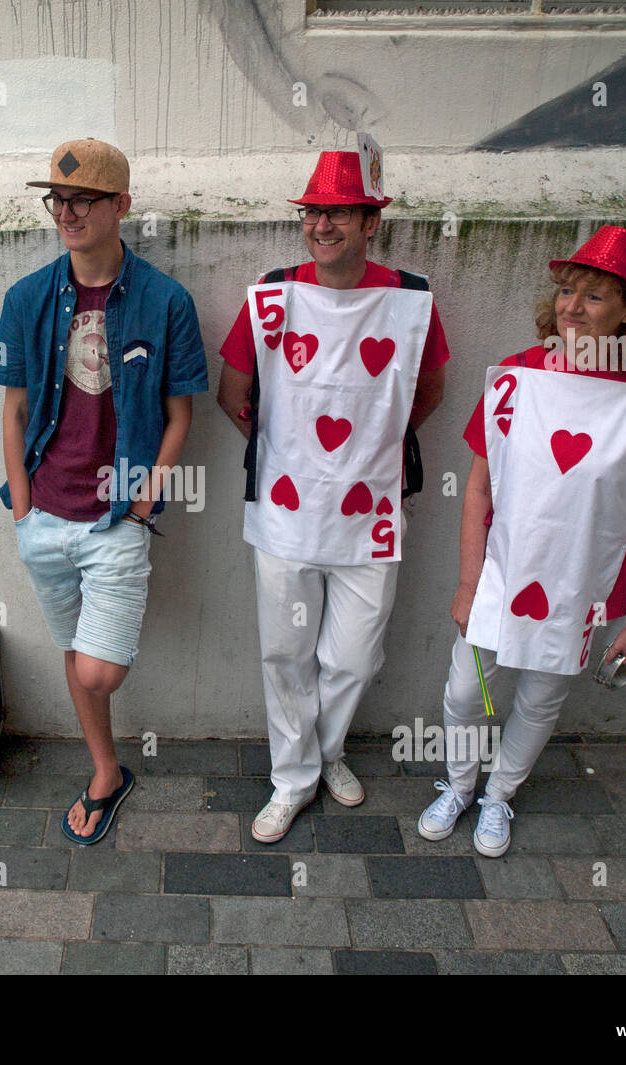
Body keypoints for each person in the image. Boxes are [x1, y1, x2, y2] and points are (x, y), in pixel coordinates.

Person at [419, 223, 626, 857]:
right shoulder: (516, 376)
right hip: (501, 575)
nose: (572, 306)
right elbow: (480, 490)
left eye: (594, 296)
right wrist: (468, 582)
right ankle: (460, 785)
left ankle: (498, 797)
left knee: (540, 700)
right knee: (466, 692)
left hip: (580, 585)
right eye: (568, 290)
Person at [216, 150, 450, 842]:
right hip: (287, 510)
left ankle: (328, 753)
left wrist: (368, 450)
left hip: (371, 512)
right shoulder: (273, 292)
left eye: (338, 211)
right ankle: (292, 778)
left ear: (370, 220)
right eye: (313, 210)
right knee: (284, 651)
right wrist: (292, 455)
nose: (322, 223)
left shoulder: (409, 298)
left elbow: (429, 388)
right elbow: (235, 387)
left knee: (352, 656)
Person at [0, 138, 208, 844]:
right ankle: (106, 771)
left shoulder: (166, 300)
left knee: (99, 668)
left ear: (121, 205)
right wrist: (22, 507)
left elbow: (181, 416)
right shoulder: (27, 299)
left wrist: (143, 504)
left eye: (84, 199)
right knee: (70, 645)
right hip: (43, 513)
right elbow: (15, 408)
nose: (67, 211)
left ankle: (110, 764)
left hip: (116, 515)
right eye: (57, 198)